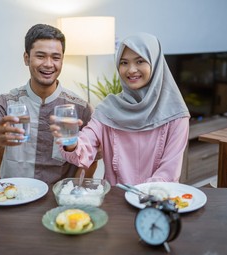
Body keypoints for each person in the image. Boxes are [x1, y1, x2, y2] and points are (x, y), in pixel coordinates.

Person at [51, 32, 190, 187]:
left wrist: (139, 196)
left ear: (156, 64)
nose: (131, 70)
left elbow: (168, 173)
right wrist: (70, 140)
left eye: (140, 61)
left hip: (156, 201)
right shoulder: (107, 109)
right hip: (115, 202)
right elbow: (83, 151)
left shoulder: (176, 115)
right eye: (124, 62)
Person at [0, 24, 96, 186]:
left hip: (59, 200)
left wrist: (75, 190)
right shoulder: (6, 102)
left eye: (56, 57)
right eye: (41, 56)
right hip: (14, 196)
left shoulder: (80, 108)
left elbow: (92, 158)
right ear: (26, 58)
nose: (49, 64)